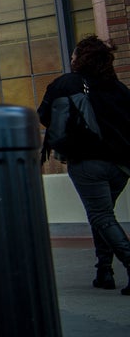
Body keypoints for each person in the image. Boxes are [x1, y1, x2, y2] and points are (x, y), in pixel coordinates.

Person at [37, 35, 130, 295]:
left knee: (101, 216)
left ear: (81, 58)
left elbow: (44, 115)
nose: (71, 58)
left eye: (74, 54)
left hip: (88, 164)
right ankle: (104, 272)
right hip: (121, 168)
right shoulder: (119, 88)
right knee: (102, 215)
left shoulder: (68, 83)